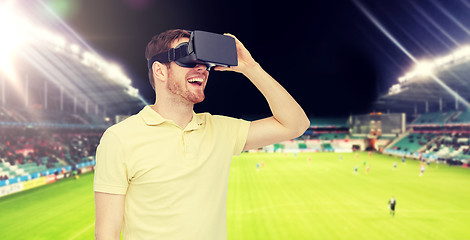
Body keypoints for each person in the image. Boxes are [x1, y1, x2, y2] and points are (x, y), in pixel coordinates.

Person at [93, 29, 310, 240]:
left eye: (205, 64)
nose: (202, 69)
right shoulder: (120, 138)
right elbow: (107, 233)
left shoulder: (220, 130)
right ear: (160, 71)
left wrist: (251, 68)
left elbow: (295, 124)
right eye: (188, 60)